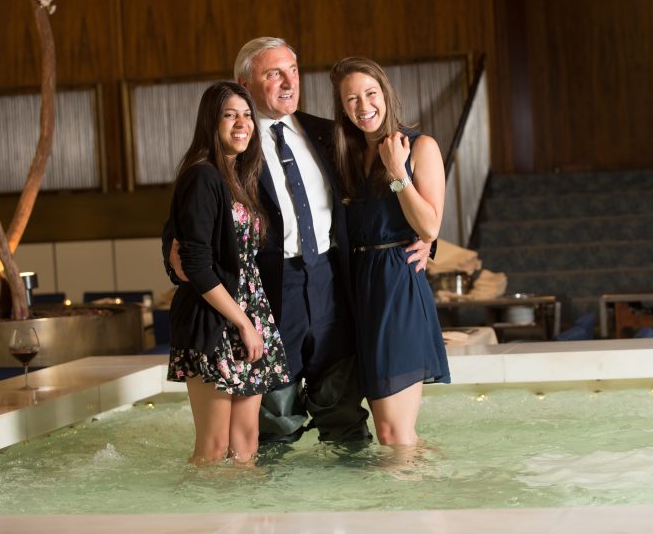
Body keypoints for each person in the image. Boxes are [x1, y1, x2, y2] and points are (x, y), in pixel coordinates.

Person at [164, 37, 432, 445]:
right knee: (272, 419)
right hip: (270, 289)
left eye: (293, 70)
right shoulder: (236, 140)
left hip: (332, 284)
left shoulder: (330, 135)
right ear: (244, 81)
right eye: (274, 73)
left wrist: (426, 239)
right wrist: (171, 245)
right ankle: (272, 503)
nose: (289, 81)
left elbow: (381, 198)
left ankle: (358, 501)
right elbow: (193, 199)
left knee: (343, 410)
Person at [166, 81, 290, 465]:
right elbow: (197, 266)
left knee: (246, 442)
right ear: (211, 122)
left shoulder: (240, 177)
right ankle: (199, 521)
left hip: (249, 316)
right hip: (217, 320)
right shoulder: (202, 176)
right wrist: (243, 324)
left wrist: (252, 323)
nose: (242, 123)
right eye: (229, 115)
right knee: (214, 445)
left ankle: (244, 521)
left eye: (247, 114)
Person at [329, 56, 450, 446]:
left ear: (386, 94)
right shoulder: (346, 155)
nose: (363, 107)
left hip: (396, 282)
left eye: (370, 94)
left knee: (394, 433)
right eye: (351, 99)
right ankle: (422, 486)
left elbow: (429, 226)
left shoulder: (420, 147)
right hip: (356, 288)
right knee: (389, 431)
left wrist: (399, 174)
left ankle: (415, 503)